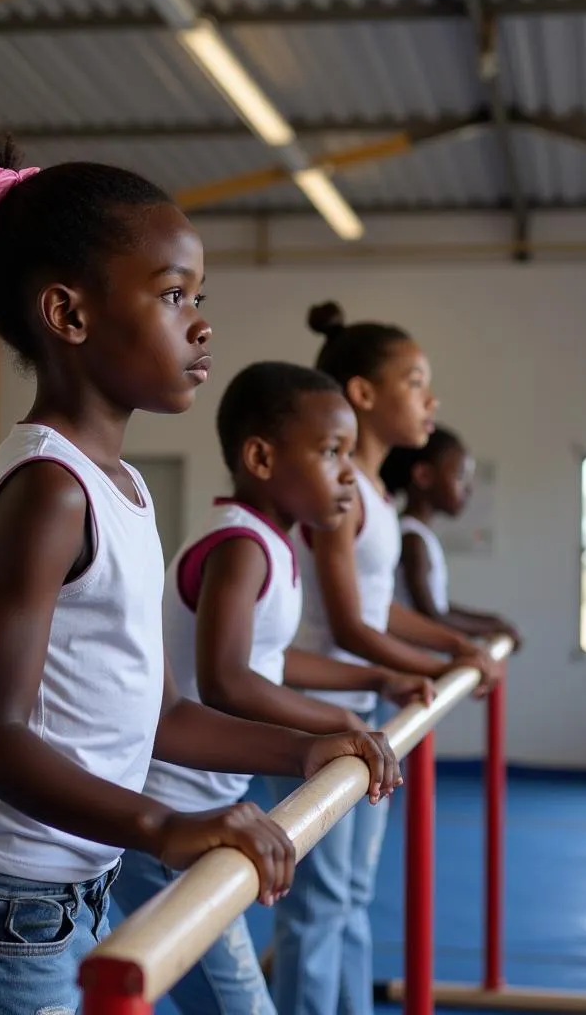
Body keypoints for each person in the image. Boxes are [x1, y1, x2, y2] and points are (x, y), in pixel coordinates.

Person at [0, 122, 402, 1015]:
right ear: (68, 314)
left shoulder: (120, 489)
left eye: (198, 294)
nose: (200, 322)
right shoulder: (50, 491)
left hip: (56, 895)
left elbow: (157, 717)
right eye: (170, 295)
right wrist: (168, 824)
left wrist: (306, 748)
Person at [111, 361, 431, 1015]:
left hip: (203, 806)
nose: (348, 472)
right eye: (329, 452)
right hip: (171, 810)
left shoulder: (270, 546)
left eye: (349, 453)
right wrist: (330, 719)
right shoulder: (239, 547)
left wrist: (375, 678)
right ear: (260, 457)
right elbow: (229, 680)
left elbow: (273, 663)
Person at [266, 303, 504, 1015]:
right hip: (320, 704)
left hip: (360, 706)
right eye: (415, 382)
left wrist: (452, 646)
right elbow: (349, 624)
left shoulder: (371, 492)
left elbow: (377, 611)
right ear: (364, 394)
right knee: (322, 898)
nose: (431, 400)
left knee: (353, 892)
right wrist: (424, 665)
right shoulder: (340, 492)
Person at [381, 427, 522, 648]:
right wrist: (489, 628)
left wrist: (492, 622)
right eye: (459, 477)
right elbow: (431, 615)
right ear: (424, 476)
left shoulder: (420, 535)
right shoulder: (412, 539)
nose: (468, 490)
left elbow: (439, 606)